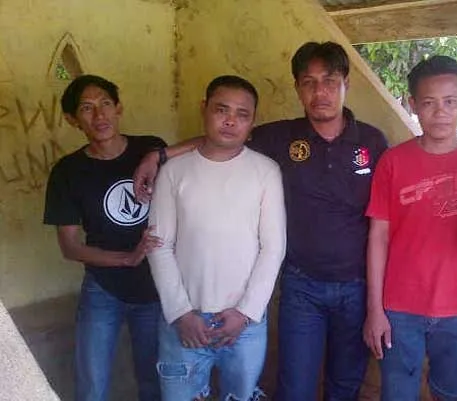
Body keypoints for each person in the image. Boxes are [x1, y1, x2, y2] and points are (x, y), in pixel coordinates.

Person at [134, 41, 388, 401]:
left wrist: (378, 300)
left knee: (346, 383)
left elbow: (382, 223)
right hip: (302, 286)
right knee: (295, 386)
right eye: (309, 82)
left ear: (347, 83)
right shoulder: (280, 137)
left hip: (357, 285)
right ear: (297, 88)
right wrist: (160, 155)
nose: (320, 92)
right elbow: (221, 138)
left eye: (330, 81)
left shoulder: (373, 142)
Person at [147, 75, 286, 401]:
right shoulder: (174, 171)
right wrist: (180, 312)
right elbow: (159, 246)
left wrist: (246, 312)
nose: (230, 121)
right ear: (204, 109)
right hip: (184, 321)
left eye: (242, 114)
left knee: (240, 395)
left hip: (244, 324)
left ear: (252, 122)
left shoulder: (265, 171)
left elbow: (273, 247)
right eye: (222, 110)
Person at [364, 56, 457, 401]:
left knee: (450, 394)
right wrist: (375, 310)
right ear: (412, 105)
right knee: (397, 394)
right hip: (399, 308)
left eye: (451, 102)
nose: (441, 112)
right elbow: (378, 237)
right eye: (428, 103)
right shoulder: (393, 162)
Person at [43, 75, 165, 401]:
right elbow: (70, 247)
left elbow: (206, 144)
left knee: (154, 382)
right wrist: (127, 258)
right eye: (87, 108)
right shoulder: (68, 172)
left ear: (119, 108)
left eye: (106, 104)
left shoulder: (149, 147)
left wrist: (156, 156)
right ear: (72, 119)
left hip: (155, 287)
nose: (99, 115)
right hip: (103, 288)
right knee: (92, 385)